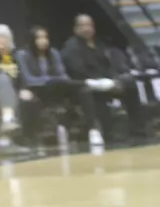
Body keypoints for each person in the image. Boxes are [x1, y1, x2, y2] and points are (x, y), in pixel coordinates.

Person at [61, 15, 147, 144]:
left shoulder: (99, 44)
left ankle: (137, 128)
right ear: (76, 29)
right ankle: (107, 132)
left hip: (106, 82)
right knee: (93, 94)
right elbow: (79, 71)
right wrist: (104, 83)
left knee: (130, 86)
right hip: (83, 85)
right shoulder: (71, 47)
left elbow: (108, 66)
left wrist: (115, 80)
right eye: (83, 25)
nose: (87, 28)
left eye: (90, 25)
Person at [17, 25, 96, 147]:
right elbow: (29, 79)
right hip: (38, 90)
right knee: (57, 83)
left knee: (84, 91)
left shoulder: (53, 53)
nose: (43, 41)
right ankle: (88, 82)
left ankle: (93, 130)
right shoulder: (22, 55)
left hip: (58, 89)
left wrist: (54, 80)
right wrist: (50, 80)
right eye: (39, 38)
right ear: (32, 40)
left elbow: (63, 75)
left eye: (45, 37)